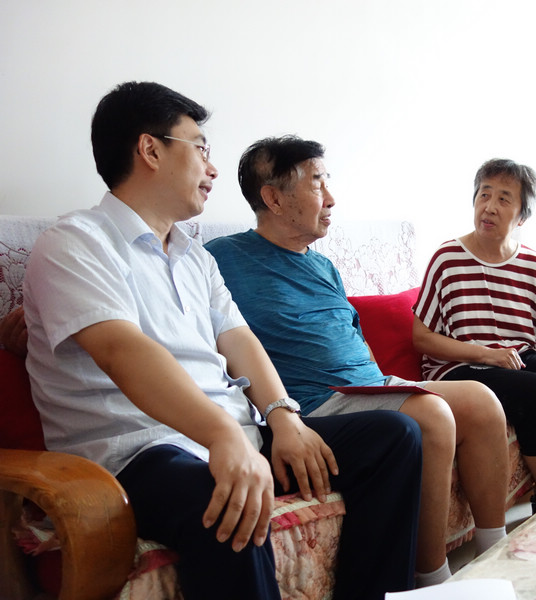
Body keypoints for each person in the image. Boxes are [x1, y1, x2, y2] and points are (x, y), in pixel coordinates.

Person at [22, 82, 422, 600]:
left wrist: (284, 419)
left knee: (394, 437)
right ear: (150, 150)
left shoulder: (195, 256)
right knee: (226, 492)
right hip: (139, 455)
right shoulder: (75, 243)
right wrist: (222, 436)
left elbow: (239, 339)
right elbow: (124, 352)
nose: (212, 169)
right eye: (200, 148)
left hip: (233, 436)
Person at [204, 136, 510, 587]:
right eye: (317, 184)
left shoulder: (323, 266)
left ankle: (495, 552)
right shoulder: (221, 258)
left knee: (483, 402)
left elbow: (354, 338)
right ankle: (432, 578)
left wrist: (385, 381)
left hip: (368, 386)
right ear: (273, 198)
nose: (330, 199)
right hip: (313, 402)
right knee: (432, 415)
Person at [411, 158, 536, 513]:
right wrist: (485, 353)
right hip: (459, 367)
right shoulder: (447, 258)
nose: (489, 207)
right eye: (484, 195)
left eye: (503, 199)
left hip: (516, 359)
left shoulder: (533, 265)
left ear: (521, 217)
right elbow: (421, 337)